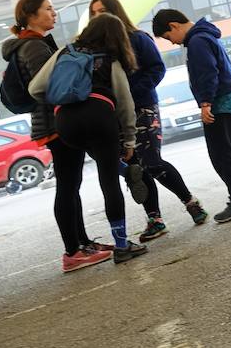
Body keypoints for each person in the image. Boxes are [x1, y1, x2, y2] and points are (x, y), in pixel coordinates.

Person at [1, 0, 113, 272]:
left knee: (71, 184)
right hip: (55, 123)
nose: (54, 13)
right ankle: (73, 251)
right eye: (48, 9)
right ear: (31, 15)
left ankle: (83, 243)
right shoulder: (34, 46)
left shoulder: (33, 44)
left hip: (54, 122)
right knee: (67, 185)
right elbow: (53, 87)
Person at [28, 13, 148, 264]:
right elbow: (125, 103)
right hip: (99, 116)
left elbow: (35, 88)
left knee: (87, 163)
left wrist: (64, 96)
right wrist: (128, 141)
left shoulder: (64, 52)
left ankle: (123, 169)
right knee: (108, 179)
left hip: (66, 124)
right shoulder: (110, 59)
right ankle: (122, 245)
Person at [90, 0, 207, 239]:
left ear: (115, 11)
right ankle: (155, 220)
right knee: (134, 169)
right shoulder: (95, 49)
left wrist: (131, 93)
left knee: (152, 161)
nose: (98, 16)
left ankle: (191, 203)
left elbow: (157, 69)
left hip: (143, 108)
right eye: (94, 13)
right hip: (115, 115)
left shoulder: (137, 38)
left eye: (102, 11)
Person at [150, 11, 231, 225]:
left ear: (174, 26)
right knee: (227, 153)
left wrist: (205, 103)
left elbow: (207, 72)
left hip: (220, 101)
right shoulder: (205, 35)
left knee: (222, 155)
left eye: (168, 37)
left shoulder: (197, 41)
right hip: (230, 98)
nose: (172, 43)